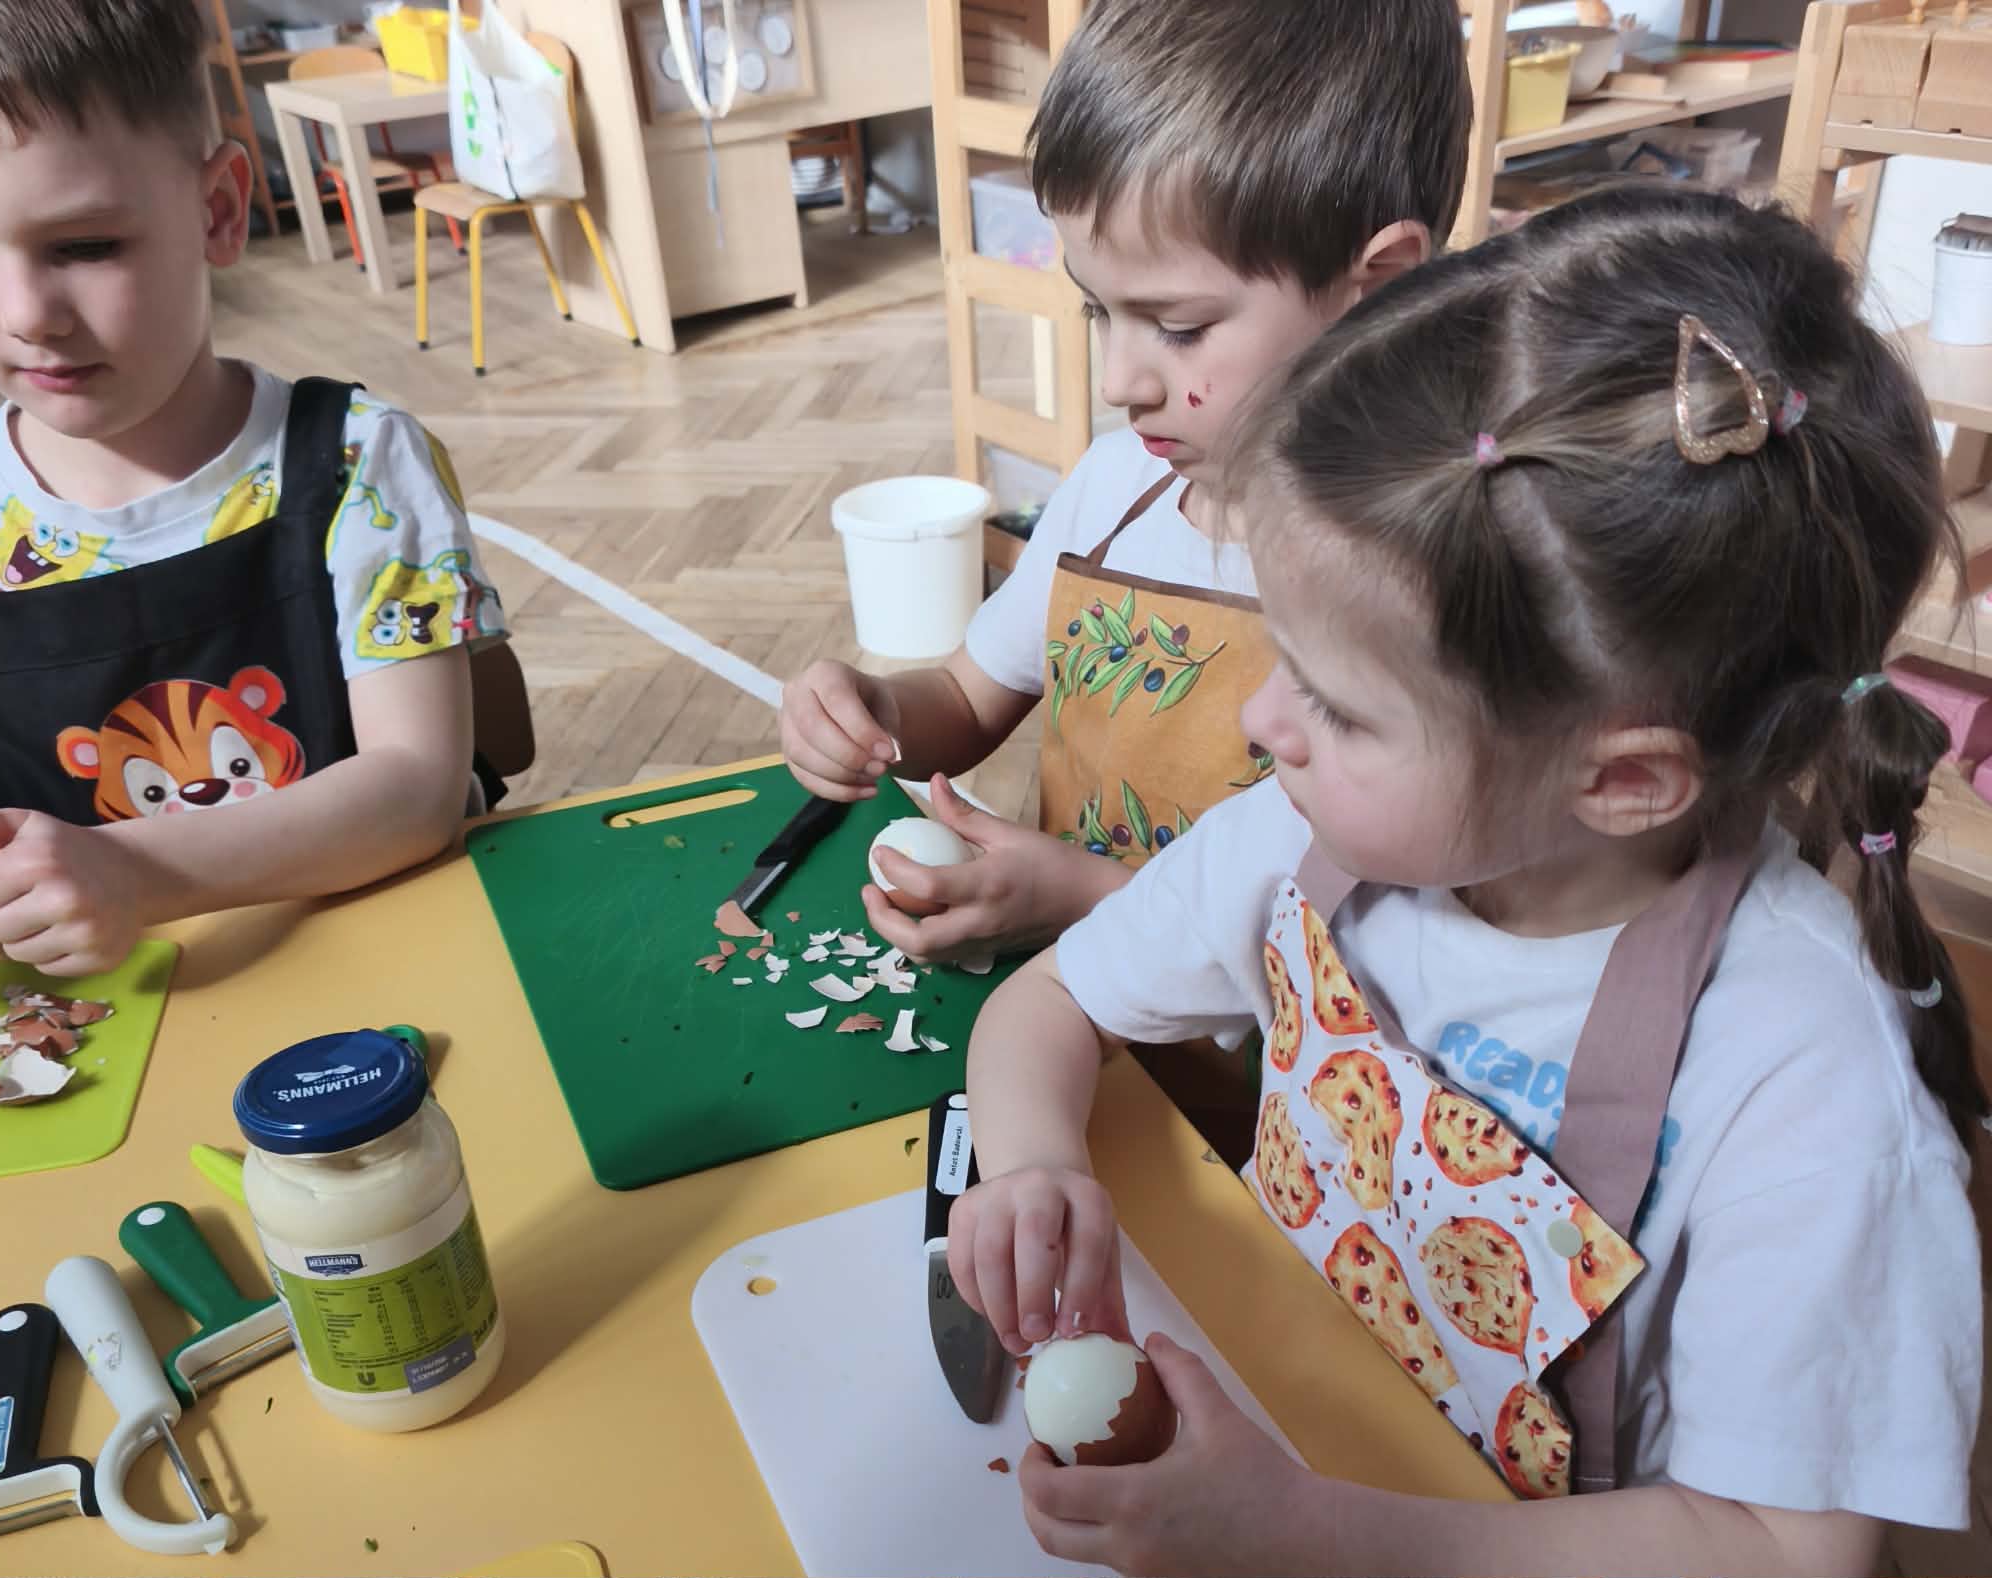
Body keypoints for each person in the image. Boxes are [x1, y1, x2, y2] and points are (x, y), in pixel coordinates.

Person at [949, 186, 1985, 1575]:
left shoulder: (1804, 1088)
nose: (1260, 720)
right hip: (1288, 1440)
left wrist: (1308, 1535)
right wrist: (1033, 1165)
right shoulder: (1304, 840)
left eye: (1337, 704)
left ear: (1623, 781)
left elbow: (1782, 1550)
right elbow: (1049, 1003)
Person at [778, 0, 1470, 971]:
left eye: (1179, 327)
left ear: (1378, 286)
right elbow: (967, 700)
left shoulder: (1434, 575)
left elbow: (1385, 948)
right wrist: (877, 716)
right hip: (1061, 1011)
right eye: (1096, 309)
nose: (1117, 382)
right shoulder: (1113, 491)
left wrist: (1089, 900)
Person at [0, 0, 506, 977]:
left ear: (216, 211)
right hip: (92, 1035)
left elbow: (420, 788)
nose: (27, 314)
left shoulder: (356, 462)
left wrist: (133, 872)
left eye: (86, 245)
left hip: (380, 982)